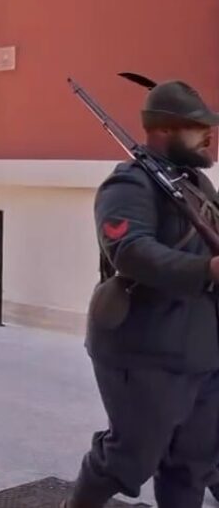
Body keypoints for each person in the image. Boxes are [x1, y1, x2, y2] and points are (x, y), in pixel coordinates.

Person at [65, 80, 219, 508]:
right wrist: (205, 270)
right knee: (129, 460)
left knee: (193, 463)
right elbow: (130, 250)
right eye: (197, 127)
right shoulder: (129, 186)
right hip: (145, 350)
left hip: (203, 353)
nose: (210, 135)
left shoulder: (196, 185)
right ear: (164, 131)